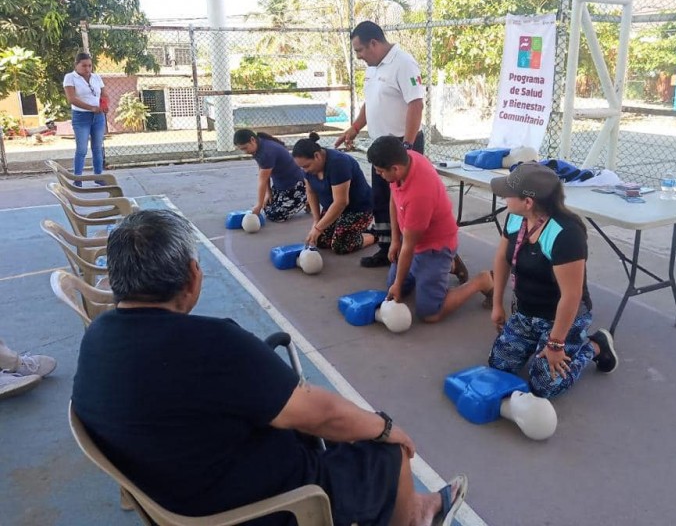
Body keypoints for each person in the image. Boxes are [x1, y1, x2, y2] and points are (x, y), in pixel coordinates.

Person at [72, 209, 468, 526]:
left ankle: (410, 504)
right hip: (258, 506)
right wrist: (385, 427)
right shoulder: (214, 344)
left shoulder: (96, 338)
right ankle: (413, 515)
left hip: (173, 494)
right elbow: (323, 415)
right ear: (193, 278)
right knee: (387, 451)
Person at [487, 162, 619, 399]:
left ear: (528, 202)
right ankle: (537, 342)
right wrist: (497, 303)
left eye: (508, 194)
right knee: (499, 366)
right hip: (527, 311)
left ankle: (595, 345)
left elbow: (571, 295)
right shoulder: (516, 218)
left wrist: (556, 343)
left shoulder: (566, 234)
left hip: (561, 317)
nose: (504, 197)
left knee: (544, 386)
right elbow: (502, 259)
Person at [367, 136, 493, 323]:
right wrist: (395, 240)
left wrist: (398, 281)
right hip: (413, 239)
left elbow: (409, 247)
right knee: (393, 286)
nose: (378, 175)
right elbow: (394, 197)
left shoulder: (419, 194)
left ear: (395, 169)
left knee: (429, 313)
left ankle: (480, 281)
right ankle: (446, 266)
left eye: (379, 171)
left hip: (435, 245)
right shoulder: (404, 158)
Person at [334, 21, 425, 268]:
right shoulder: (372, 68)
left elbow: (416, 104)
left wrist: (406, 146)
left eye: (360, 50)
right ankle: (387, 249)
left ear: (374, 43)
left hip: (401, 145)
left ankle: (412, 252)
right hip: (380, 144)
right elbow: (370, 102)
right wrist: (354, 128)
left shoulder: (403, 63)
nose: (359, 56)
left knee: (405, 202)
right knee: (382, 198)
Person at [292, 133, 376, 255]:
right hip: (333, 208)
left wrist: (318, 228)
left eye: (306, 166)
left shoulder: (338, 163)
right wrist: (316, 221)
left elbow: (341, 202)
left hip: (358, 209)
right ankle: (350, 231)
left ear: (317, 156)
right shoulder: (308, 169)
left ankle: (374, 235)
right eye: (301, 168)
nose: (305, 170)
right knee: (320, 240)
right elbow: (311, 192)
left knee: (341, 245)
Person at [234, 129, 307, 222]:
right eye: (242, 149)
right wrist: (269, 193)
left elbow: (262, 180)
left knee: (276, 215)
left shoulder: (266, 152)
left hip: (296, 185)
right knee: (268, 207)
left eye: (245, 148)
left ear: (252, 140)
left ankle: (307, 197)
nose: (245, 152)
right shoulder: (258, 147)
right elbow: (263, 173)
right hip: (280, 186)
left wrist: (259, 205)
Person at [63, 52, 108, 183]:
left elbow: (104, 94)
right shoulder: (70, 77)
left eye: (89, 66)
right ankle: (77, 179)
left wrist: (104, 105)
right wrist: (91, 108)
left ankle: (98, 177)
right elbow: (72, 99)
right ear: (76, 65)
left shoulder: (96, 77)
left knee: (97, 148)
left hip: (98, 117)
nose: (87, 69)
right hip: (81, 116)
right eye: (84, 66)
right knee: (82, 149)